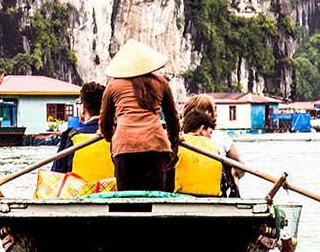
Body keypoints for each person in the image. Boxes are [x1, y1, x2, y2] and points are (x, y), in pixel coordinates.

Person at [99, 39, 180, 192]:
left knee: (127, 200)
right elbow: (172, 119)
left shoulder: (113, 86)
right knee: (154, 200)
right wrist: (174, 141)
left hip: (124, 148)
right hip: (156, 147)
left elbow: (104, 123)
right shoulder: (161, 83)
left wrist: (113, 138)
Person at [174, 94, 246, 196]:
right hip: (213, 195)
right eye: (213, 109)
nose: (216, 113)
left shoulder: (177, 138)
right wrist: (234, 173)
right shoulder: (220, 137)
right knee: (233, 173)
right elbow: (240, 167)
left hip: (182, 194)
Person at [50, 81, 113, 182]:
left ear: (83, 108)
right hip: (111, 192)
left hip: (80, 193)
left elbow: (56, 176)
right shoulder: (116, 135)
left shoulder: (70, 136)